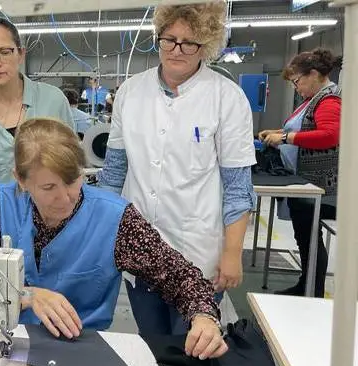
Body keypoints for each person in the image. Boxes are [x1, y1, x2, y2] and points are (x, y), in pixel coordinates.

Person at [0, 118, 227, 359]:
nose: (66, 198)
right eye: (48, 188)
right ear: (20, 180)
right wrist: (27, 295)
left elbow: (180, 275)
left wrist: (204, 317)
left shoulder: (116, 219)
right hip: (2, 341)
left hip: (79, 349)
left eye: (73, 180)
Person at [98, 3, 256, 336]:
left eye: (190, 42)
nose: (177, 50)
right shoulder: (129, 92)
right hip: (140, 247)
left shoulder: (227, 98)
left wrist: (232, 253)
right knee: (152, 347)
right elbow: (112, 176)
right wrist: (102, 237)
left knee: (192, 351)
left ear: (207, 46)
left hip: (198, 251)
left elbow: (239, 189)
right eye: (169, 39)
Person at [0, 17, 75, 202]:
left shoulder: (53, 101)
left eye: (5, 52)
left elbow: (72, 163)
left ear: (20, 54)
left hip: (52, 215)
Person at [259, 48, 342, 297]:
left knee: (309, 238)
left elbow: (329, 135)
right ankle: (306, 284)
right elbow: (307, 130)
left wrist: (285, 137)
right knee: (305, 236)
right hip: (304, 181)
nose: (296, 87)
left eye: (297, 81)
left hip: (319, 185)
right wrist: (277, 132)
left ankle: (312, 291)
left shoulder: (328, 99)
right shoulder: (312, 100)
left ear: (314, 74)